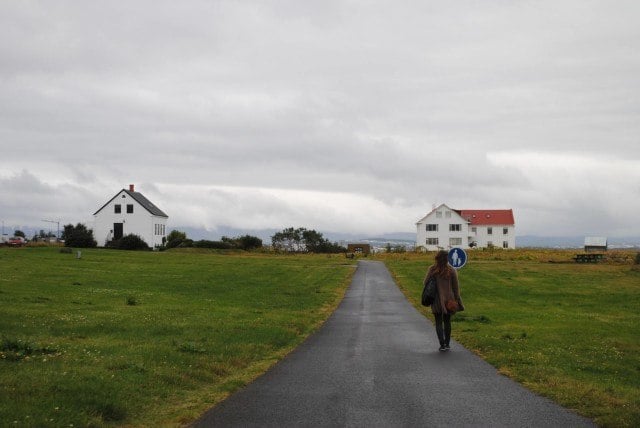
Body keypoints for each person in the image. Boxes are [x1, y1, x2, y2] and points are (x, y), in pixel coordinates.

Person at [423, 250, 464, 351]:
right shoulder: (452, 270)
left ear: (437, 258)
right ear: (447, 259)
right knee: (447, 321)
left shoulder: (432, 269)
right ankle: (447, 343)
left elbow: (425, 283)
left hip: (436, 299)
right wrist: (457, 300)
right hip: (449, 300)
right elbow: (456, 288)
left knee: (438, 322)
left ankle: (442, 345)